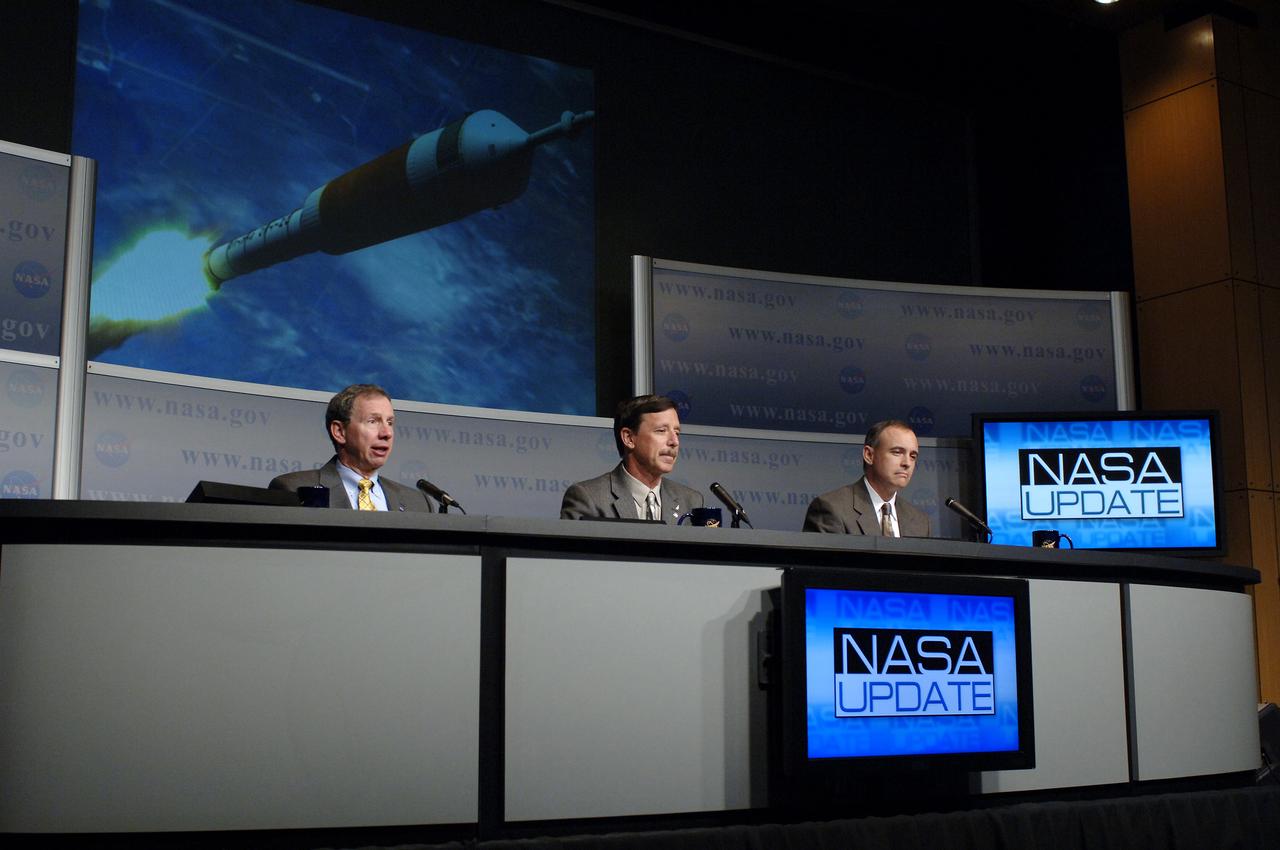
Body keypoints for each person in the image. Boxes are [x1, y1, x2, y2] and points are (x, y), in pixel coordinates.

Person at [269, 384, 433, 511]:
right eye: (373, 421)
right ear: (339, 432)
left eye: (390, 422)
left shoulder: (418, 503)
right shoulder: (292, 489)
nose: (387, 433)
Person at [561, 394, 704, 522]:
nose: (674, 442)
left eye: (677, 433)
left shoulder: (690, 501)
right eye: (661, 431)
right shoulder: (588, 498)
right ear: (629, 438)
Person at [802, 419, 930, 537]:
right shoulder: (832, 508)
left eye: (913, 456)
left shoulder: (920, 522)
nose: (907, 463)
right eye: (897, 452)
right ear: (869, 455)